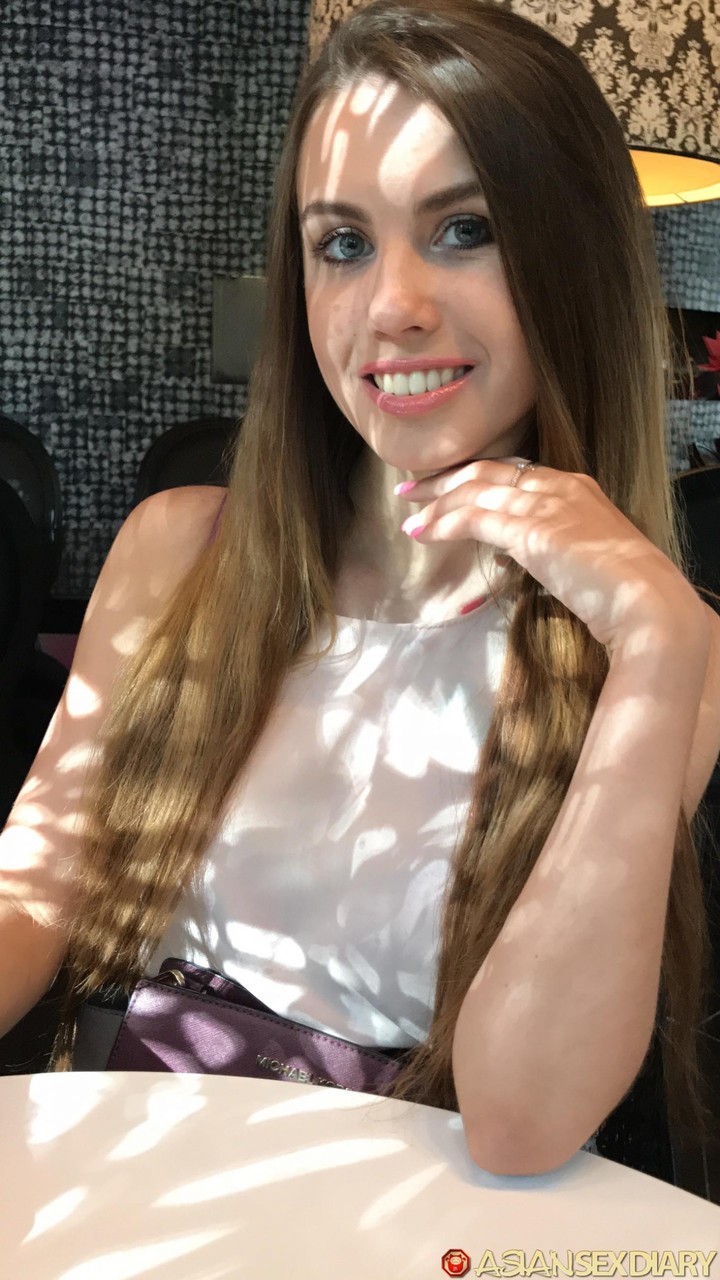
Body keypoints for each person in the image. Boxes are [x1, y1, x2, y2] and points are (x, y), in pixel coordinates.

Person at [1, 0, 719, 1179]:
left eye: (465, 229)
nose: (392, 306)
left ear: (576, 260)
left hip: (408, 1207)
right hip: (130, 1175)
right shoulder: (179, 551)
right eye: (342, 243)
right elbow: (32, 897)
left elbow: (523, 1119)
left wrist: (654, 644)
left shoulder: (657, 649)